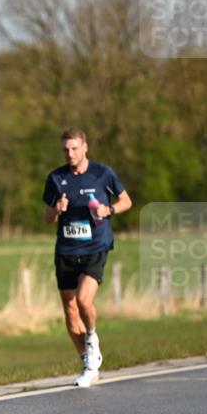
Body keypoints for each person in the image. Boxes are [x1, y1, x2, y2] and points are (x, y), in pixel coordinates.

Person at [43, 128, 131, 388]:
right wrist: (56, 210)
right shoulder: (56, 178)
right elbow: (47, 218)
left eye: (74, 148)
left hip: (95, 246)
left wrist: (109, 209)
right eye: (65, 149)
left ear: (85, 148)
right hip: (66, 250)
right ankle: (89, 362)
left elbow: (126, 201)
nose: (70, 153)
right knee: (70, 310)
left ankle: (92, 338)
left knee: (83, 301)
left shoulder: (103, 173)